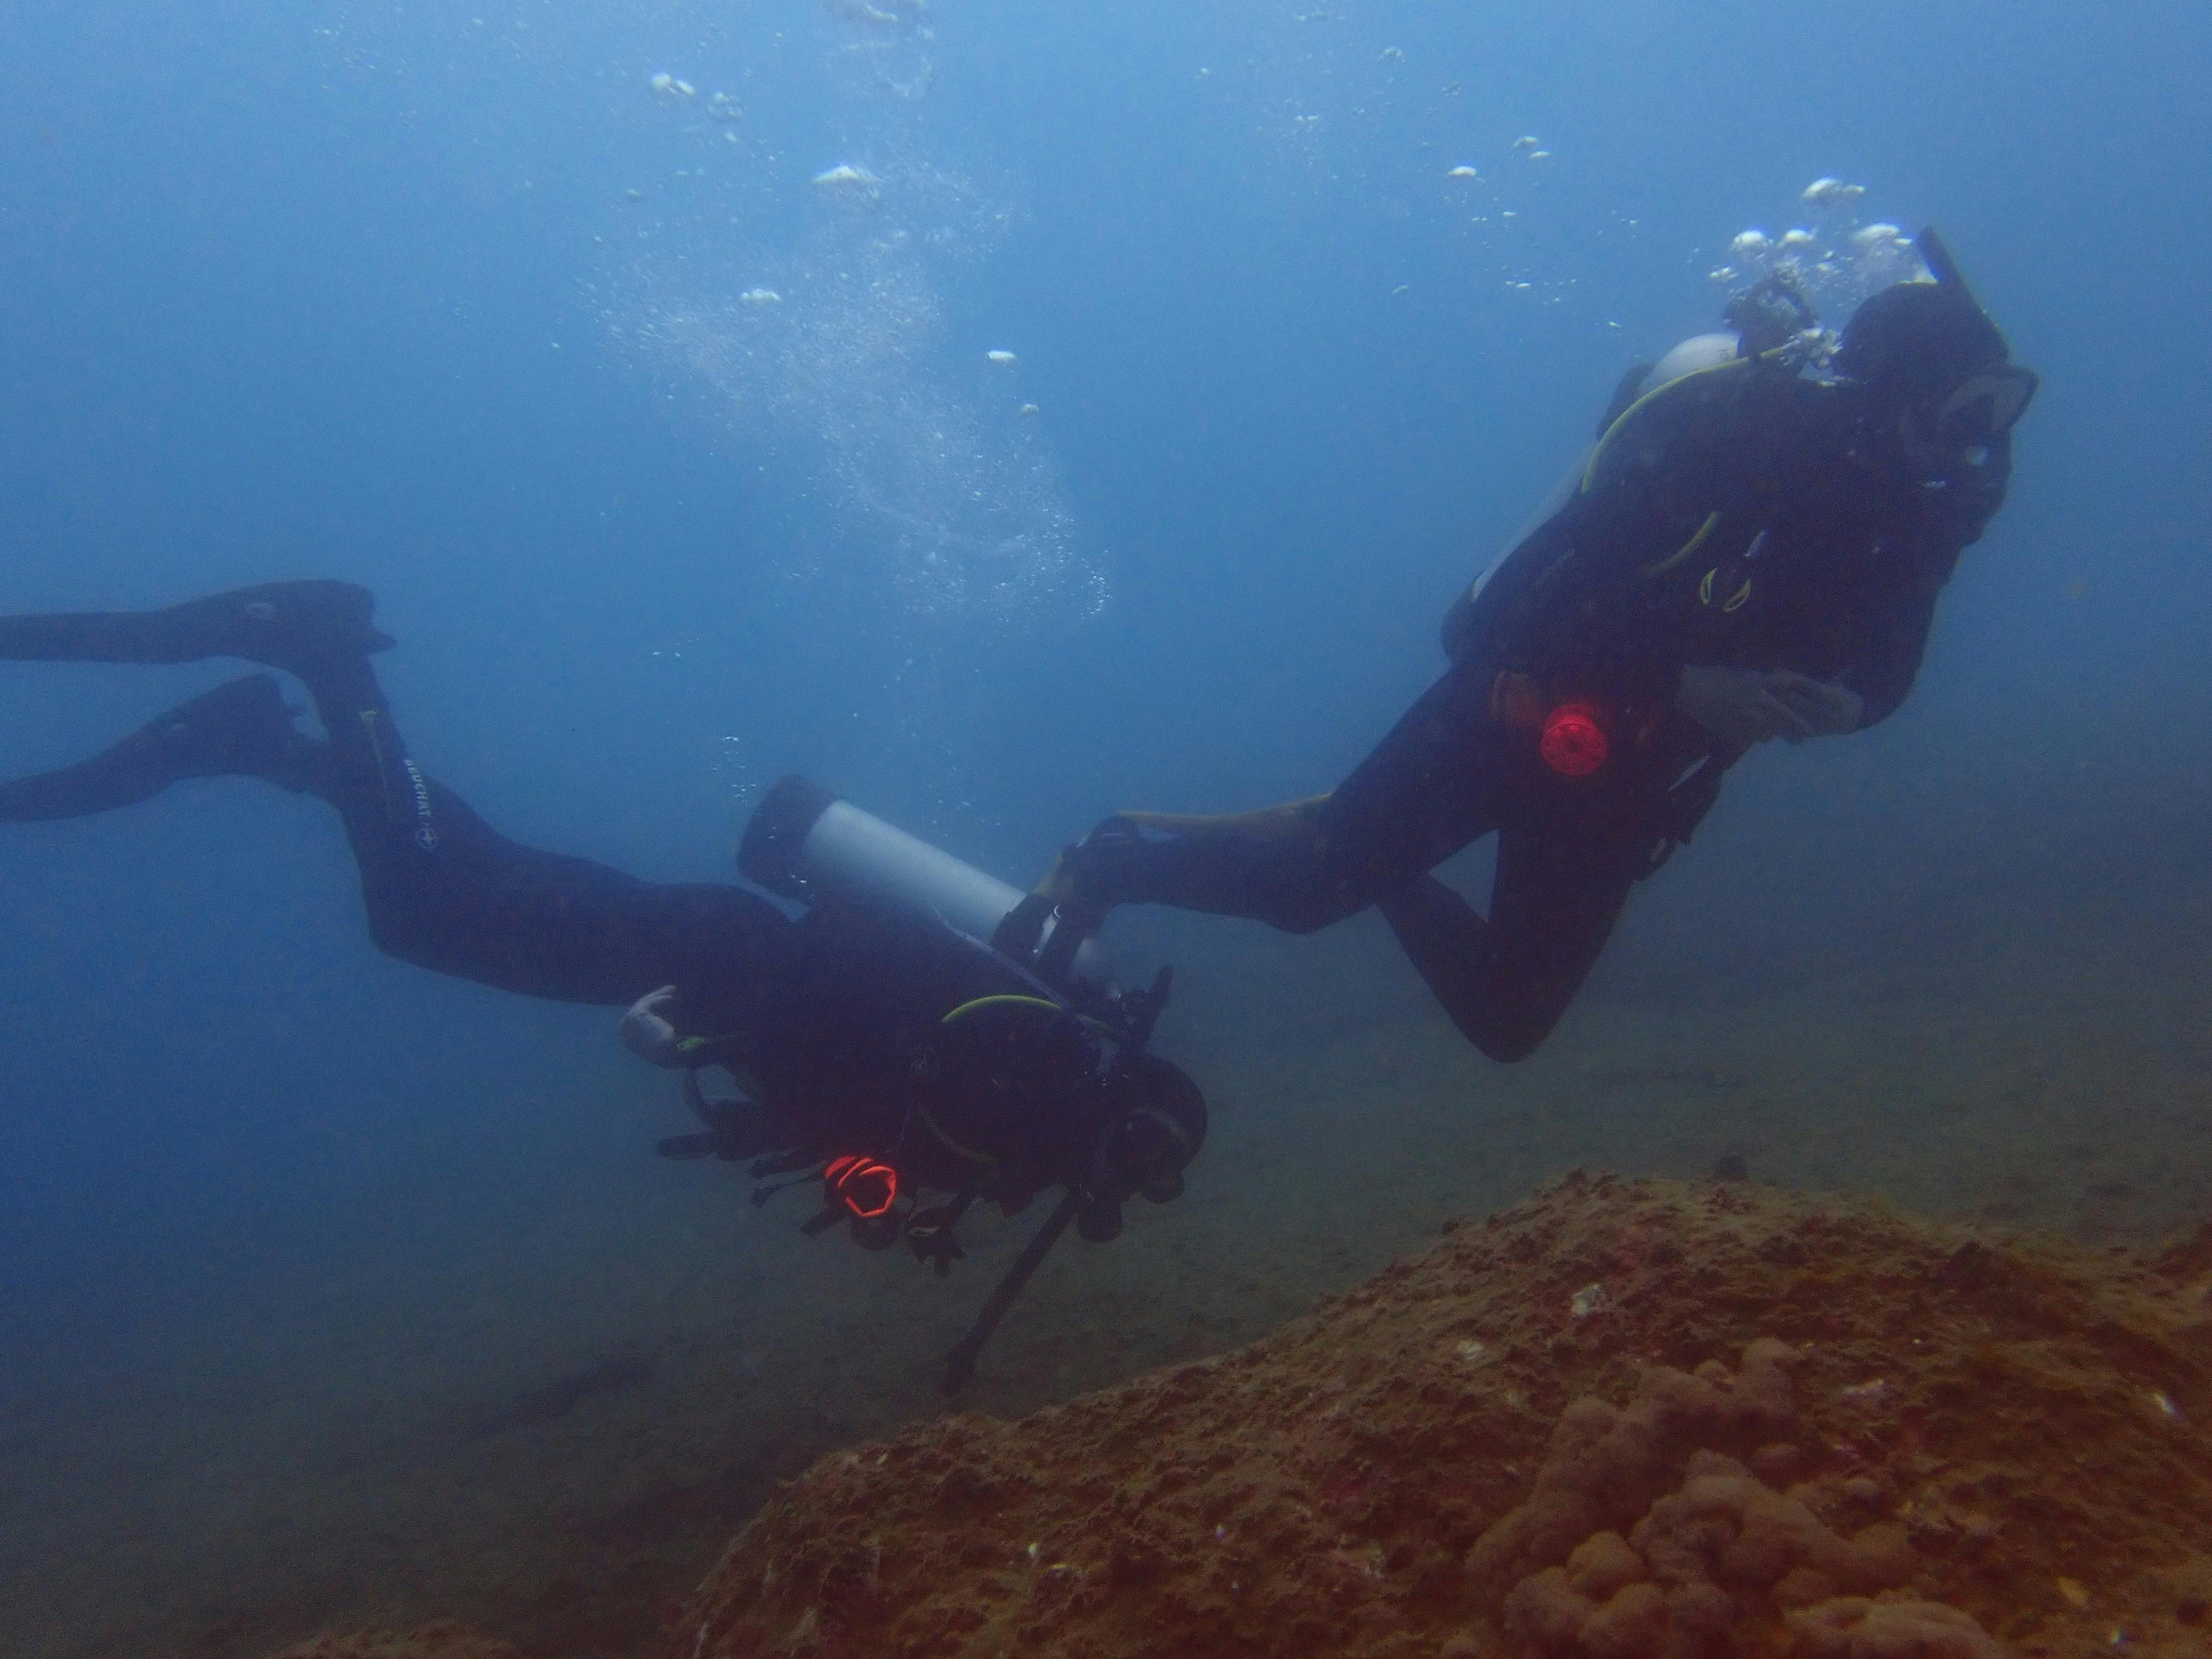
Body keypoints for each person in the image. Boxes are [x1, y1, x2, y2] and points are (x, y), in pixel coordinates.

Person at [0, 581, 1204, 1380]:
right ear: (1125, 1106)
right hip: (703, 952)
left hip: (703, 956)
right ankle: (325, 661)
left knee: (458, 883)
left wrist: (844, 1172)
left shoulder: (1014, 1131)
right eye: (1147, 1164)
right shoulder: (1025, 1063)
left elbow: (855, 1102)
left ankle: (264, 740)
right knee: (426, 914)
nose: (1129, 1189)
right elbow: (854, 957)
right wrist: (709, 1032)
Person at [1026, 228, 2038, 1062]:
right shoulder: (1726, 435)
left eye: (2001, 411)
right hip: (1516, 705)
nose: (1982, 444)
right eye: (1965, 411)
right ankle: (1117, 860)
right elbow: (1514, 605)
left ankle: (1368, 851)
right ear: (1895, 388)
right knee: (1303, 897)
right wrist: (1686, 682)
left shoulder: (1914, 517)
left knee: (1510, 1022)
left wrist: (1850, 707)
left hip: (1631, 777)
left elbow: (1894, 672)